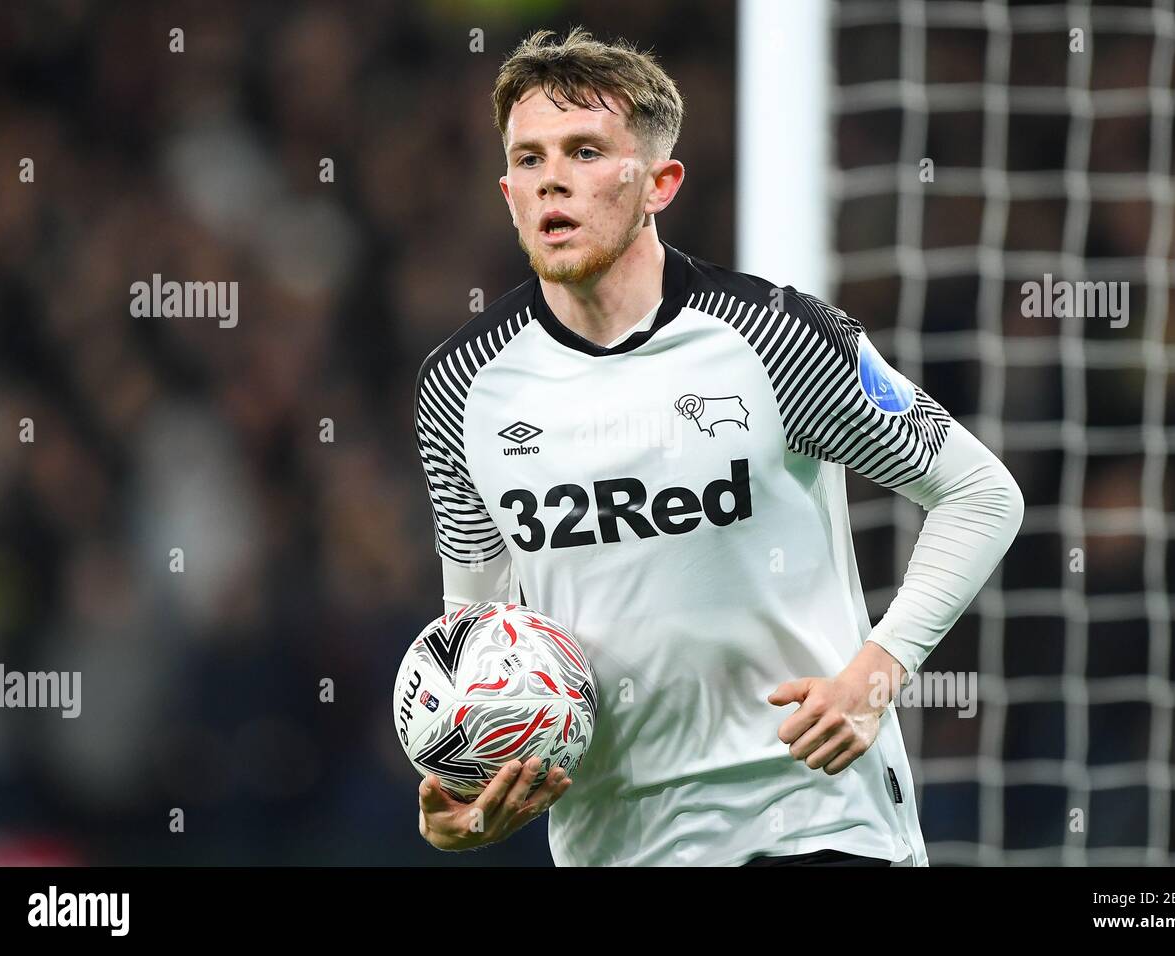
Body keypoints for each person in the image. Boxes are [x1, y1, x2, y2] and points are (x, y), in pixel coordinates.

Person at [412, 26, 1024, 866]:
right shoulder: (461, 385)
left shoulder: (779, 337)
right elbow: (475, 641)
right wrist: (461, 796)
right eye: (529, 158)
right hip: (616, 842)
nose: (552, 176)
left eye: (586, 150)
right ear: (509, 191)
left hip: (817, 820)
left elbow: (980, 493)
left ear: (660, 183)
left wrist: (875, 677)